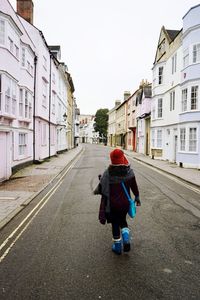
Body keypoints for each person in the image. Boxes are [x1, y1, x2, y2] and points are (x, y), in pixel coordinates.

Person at [94, 148, 141, 255]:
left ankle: (118, 247)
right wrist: (137, 197)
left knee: (115, 223)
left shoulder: (108, 173)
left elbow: (102, 188)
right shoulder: (129, 172)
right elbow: (134, 186)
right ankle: (126, 239)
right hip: (125, 204)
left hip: (113, 204)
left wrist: (101, 179)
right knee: (123, 220)